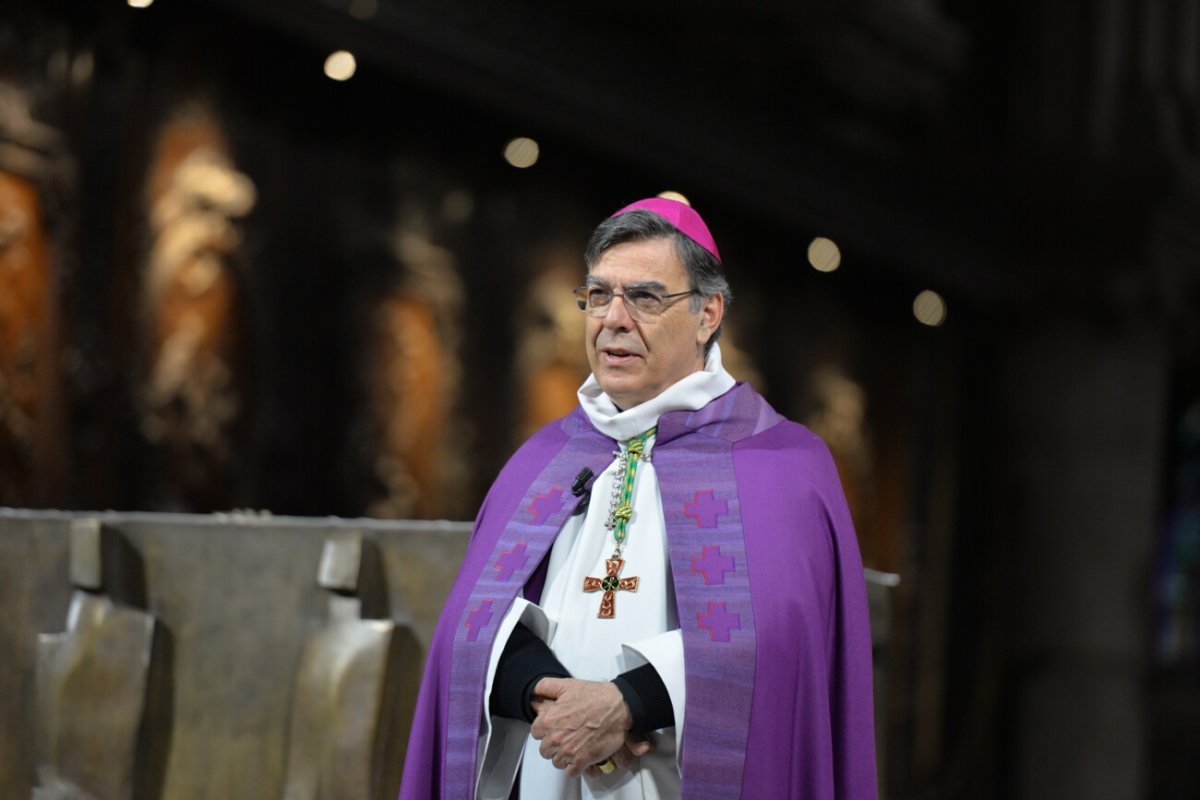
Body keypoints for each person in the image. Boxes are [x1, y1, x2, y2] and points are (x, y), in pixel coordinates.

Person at [399, 197, 877, 799]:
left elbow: (783, 643)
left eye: (645, 298)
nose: (613, 320)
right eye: (598, 296)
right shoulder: (545, 457)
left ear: (708, 314)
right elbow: (472, 623)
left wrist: (628, 703)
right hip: (548, 765)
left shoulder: (783, 464)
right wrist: (544, 694)